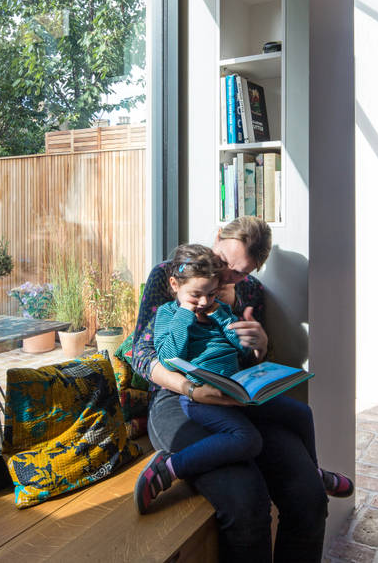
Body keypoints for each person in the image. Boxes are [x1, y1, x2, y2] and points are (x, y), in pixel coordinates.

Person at [131, 217, 332, 562]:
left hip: (236, 397)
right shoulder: (171, 274)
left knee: (309, 496)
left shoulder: (250, 291)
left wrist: (259, 346)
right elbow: (143, 354)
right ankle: (169, 467)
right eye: (223, 262)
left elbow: (249, 361)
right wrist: (191, 390)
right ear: (217, 237)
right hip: (179, 397)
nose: (225, 277)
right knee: (246, 500)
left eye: (239, 272)